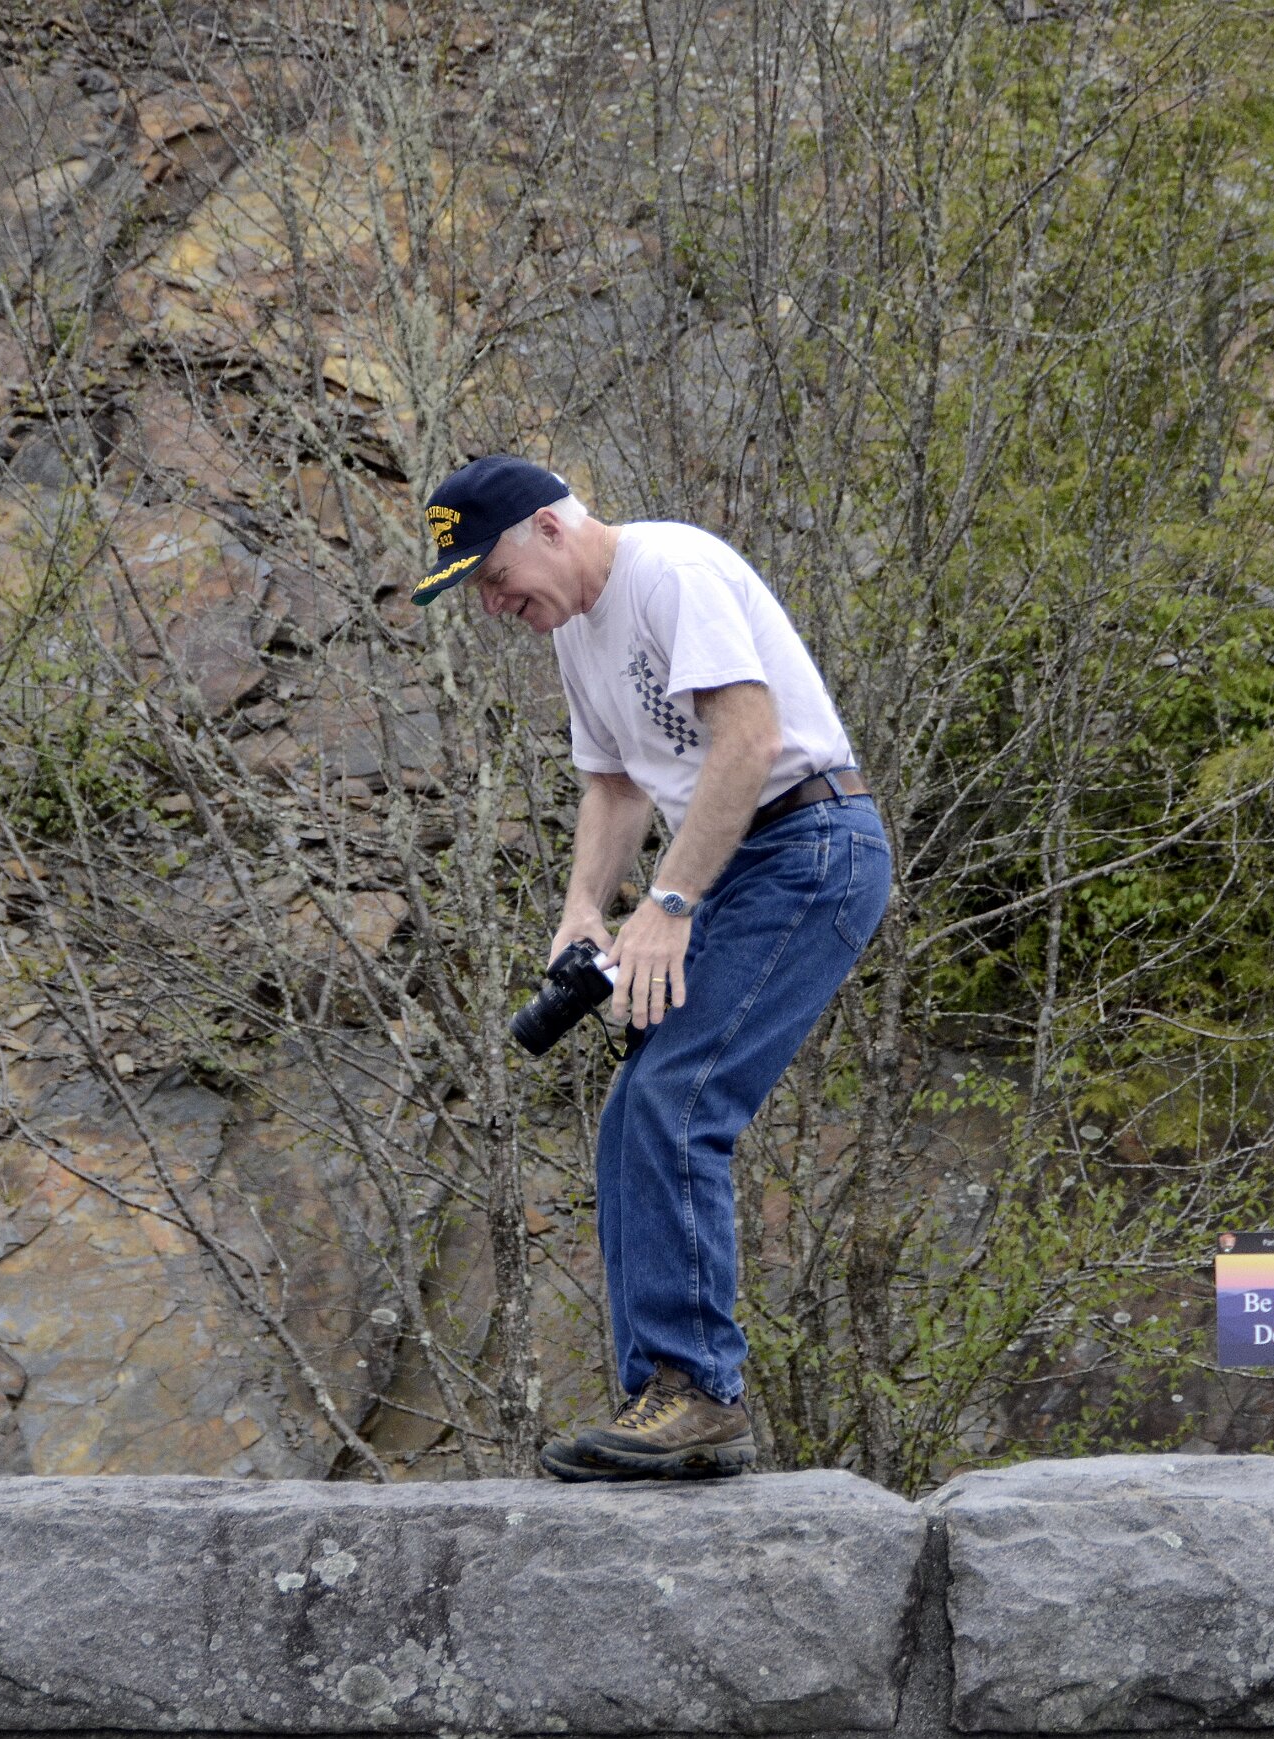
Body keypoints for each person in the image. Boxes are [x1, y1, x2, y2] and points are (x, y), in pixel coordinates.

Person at [415, 454, 890, 1480]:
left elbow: (749, 741)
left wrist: (667, 905)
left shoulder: (671, 570)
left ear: (549, 529)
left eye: (492, 576)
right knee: (636, 1108)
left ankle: (700, 1391)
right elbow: (615, 787)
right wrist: (585, 909)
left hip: (809, 846)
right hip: (734, 866)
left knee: (678, 1096)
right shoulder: (576, 631)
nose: (491, 604)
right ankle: (662, 1399)